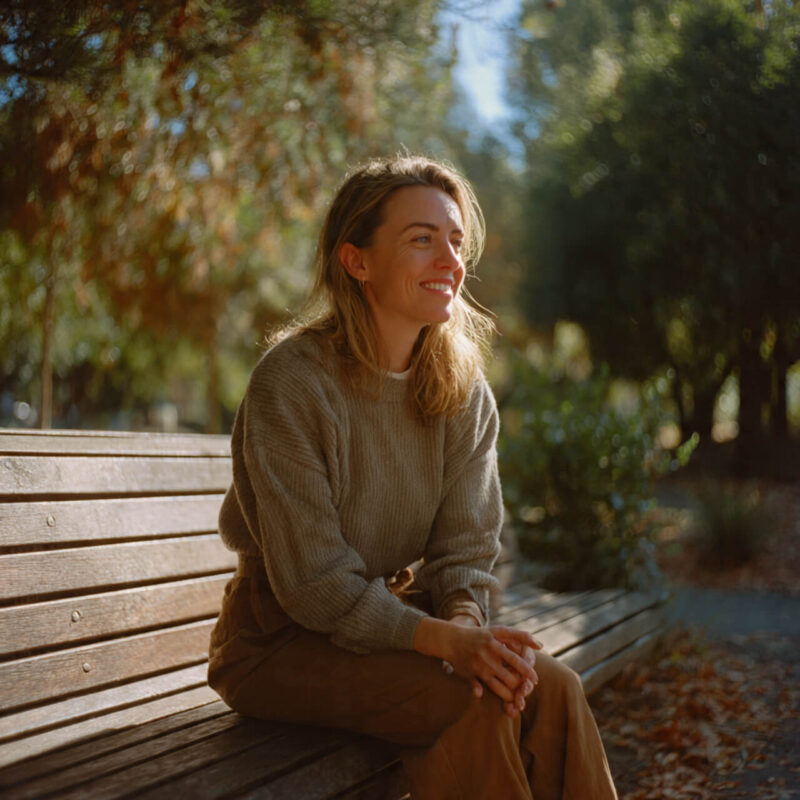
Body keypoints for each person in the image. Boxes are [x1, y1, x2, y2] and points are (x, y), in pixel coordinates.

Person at [207, 154, 618, 799]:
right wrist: (444, 643)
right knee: (472, 701)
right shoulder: (292, 384)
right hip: (276, 645)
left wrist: (467, 627)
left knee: (549, 685)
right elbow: (314, 587)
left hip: (390, 624)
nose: (449, 259)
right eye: (421, 240)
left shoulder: (463, 392)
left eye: (455, 240)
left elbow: (465, 552)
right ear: (357, 261)